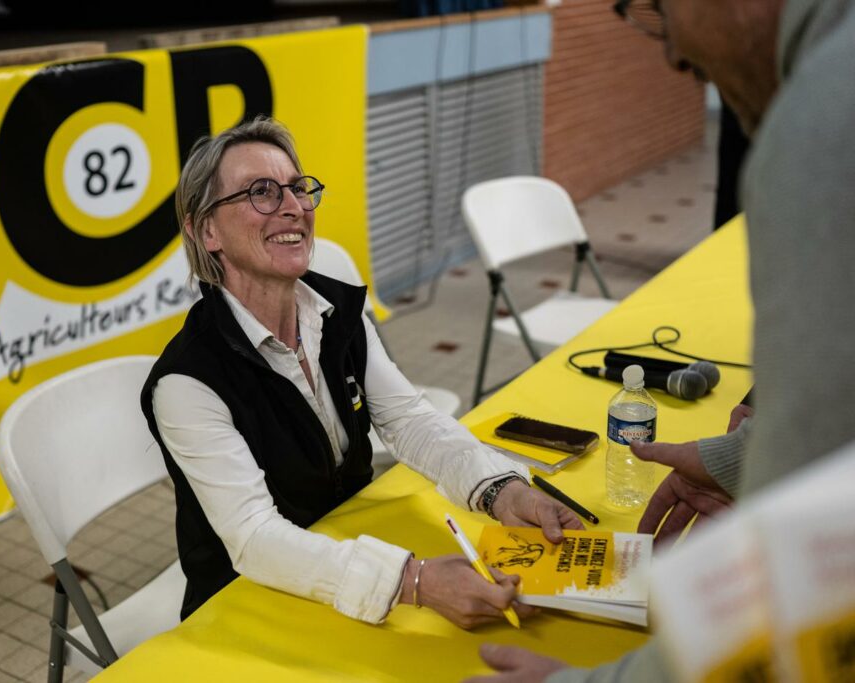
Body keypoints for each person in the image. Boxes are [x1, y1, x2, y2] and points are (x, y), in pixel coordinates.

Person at [468, 0, 855, 679]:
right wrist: (742, 457)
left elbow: (810, 583)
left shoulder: (827, 123)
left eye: (651, 8)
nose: (674, 56)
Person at [139, 117, 584, 628]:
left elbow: (409, 420)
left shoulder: (334, 310)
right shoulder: (187, 382)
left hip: (348, 552)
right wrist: (411, 581)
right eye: (260, 192)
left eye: (297, 188)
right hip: (249, 599)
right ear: (205, 230)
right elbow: (255, 539)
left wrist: (501, 490)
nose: (293, 207)